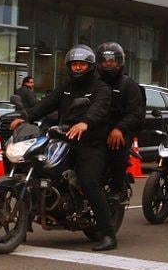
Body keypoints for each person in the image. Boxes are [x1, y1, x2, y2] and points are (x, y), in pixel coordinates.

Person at [23, 44, 117, 251]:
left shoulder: (101, 88)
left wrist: (86, 123)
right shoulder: (65, 86)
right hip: (65, 139)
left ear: (90, 66)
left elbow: (99, 108)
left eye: (81, 65)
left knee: (89, 181)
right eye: (74, 64)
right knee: (40, 170)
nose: (77, 68)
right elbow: (46, 104)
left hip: (92, 142)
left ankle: (109, 235)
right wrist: (24, 118)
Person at [95, 43, 144, 206]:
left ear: (120, 62)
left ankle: (117, 188)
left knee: (115, 147)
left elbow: (136, 114)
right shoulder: (94, 83)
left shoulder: (129, 85)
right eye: (105, 60)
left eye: (112, 60)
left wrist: (120, 128)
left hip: (118, 131)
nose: (108, 64)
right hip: (95, 129)